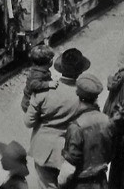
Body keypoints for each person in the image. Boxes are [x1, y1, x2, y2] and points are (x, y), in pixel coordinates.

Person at [25, 48, 89, 189]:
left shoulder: (44, 92)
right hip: (69, 153)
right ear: (80, 71)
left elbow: (28, 122)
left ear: (60, 68)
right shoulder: (83, 97)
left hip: (43, 151)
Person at [59, 73, 114, 189]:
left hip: (81, 184)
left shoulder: (76, 127)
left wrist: (60, 184)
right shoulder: (107, 121)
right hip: (101, 182)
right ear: (96, 97)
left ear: (78, 95)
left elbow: (69, 169)